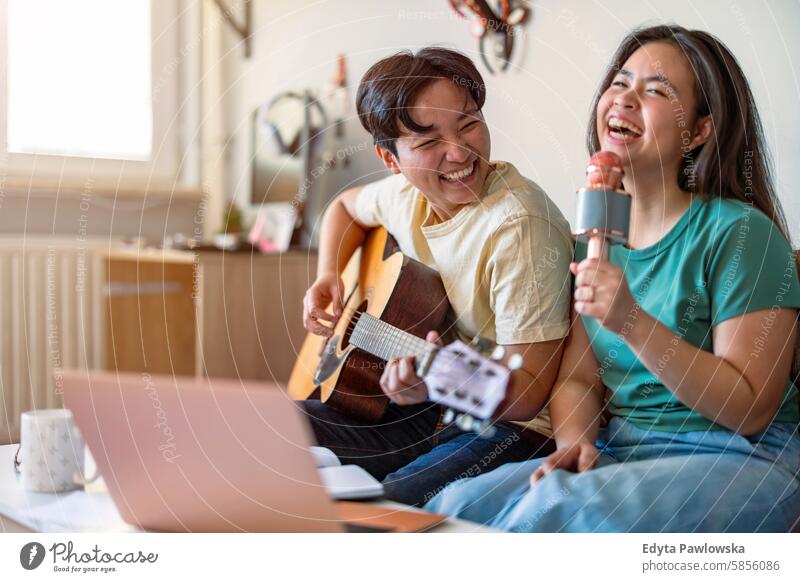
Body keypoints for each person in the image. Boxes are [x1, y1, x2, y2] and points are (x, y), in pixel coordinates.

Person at [425, 25, 800, 531]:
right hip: (622, 448)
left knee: (555, 515)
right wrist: (575, 442)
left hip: (738, 458)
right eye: (620, 83)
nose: (624, 99)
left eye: (656, 90)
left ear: (702, 130)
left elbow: (751, 408)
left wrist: (630, 321)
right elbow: (579, 377)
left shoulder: (740, 234)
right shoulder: (600, 237)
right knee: (453, 507)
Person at [301, 47, 574, 506]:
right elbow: (344, 208)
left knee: (385, 505)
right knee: (267, 431)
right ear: (392, 161)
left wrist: (433, 382)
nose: (459, 151)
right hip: (427, 407)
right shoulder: (406, 196)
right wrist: (327, 274)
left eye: (469, 123)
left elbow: (528, 394)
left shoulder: (520, 227)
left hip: (512, 429)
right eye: (429, 143)